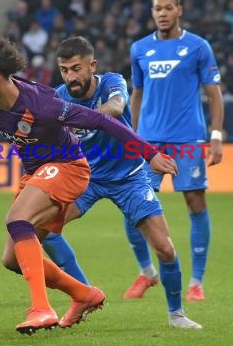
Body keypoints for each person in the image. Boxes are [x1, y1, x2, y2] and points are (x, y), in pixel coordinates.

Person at [0, 35, 178, 334]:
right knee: (13, 259)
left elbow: (104, 121)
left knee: (18, 220)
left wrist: (150, 153)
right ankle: (84, 294)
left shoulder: (43, 105)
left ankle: (41, 309)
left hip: (69, 168)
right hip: (37, 171)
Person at [43, 36, 201, 329]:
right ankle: (84, 294)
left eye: (76, 68)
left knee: (165, 249)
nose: (70, 76)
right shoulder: (58, 97)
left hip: (129, 176)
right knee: (44, 230)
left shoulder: (111, 82)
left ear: (92, 65)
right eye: (64, 70)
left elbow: (115, 108)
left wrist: (78, 119)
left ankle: (177, 314)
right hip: (84, 178)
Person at [130, 0, 225, 302]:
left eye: (168, 8)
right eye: (157, 8)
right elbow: (137, 95)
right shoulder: (140, 49)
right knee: (133, 206)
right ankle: (147, 273)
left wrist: (216, 136)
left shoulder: (198, 47)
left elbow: (214, 95)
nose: (162, 13)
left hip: (187, 139)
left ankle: (196, 281)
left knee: (196, 204)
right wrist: (131, 136)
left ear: (179, 10)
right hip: (149, 142)